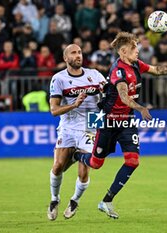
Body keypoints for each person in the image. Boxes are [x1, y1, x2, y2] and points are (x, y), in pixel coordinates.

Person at [74, 32, 167, 219]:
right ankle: (76, 155)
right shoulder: (119, 71)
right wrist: (141, 108)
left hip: (126, 121)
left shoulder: (136, 65)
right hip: (108, 121)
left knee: (133, 161)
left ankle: (106, 200)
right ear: (123, 52)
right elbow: (123, 97)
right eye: (134, 48)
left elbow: (157, 70)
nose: (137, 50)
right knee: (95, 163)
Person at [47, 44, 106, 220]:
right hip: (68, 125)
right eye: (74, 53)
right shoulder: (59, 79)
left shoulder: (94, 74)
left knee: (84, 172)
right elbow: (54, 110)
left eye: (79, 52)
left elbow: (110, 92)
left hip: (91, 124)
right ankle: (54, 199)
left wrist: (107, 92)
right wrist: (74, 104)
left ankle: (74, 200)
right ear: (66, 58)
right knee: (58, 167)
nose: (78, 55)